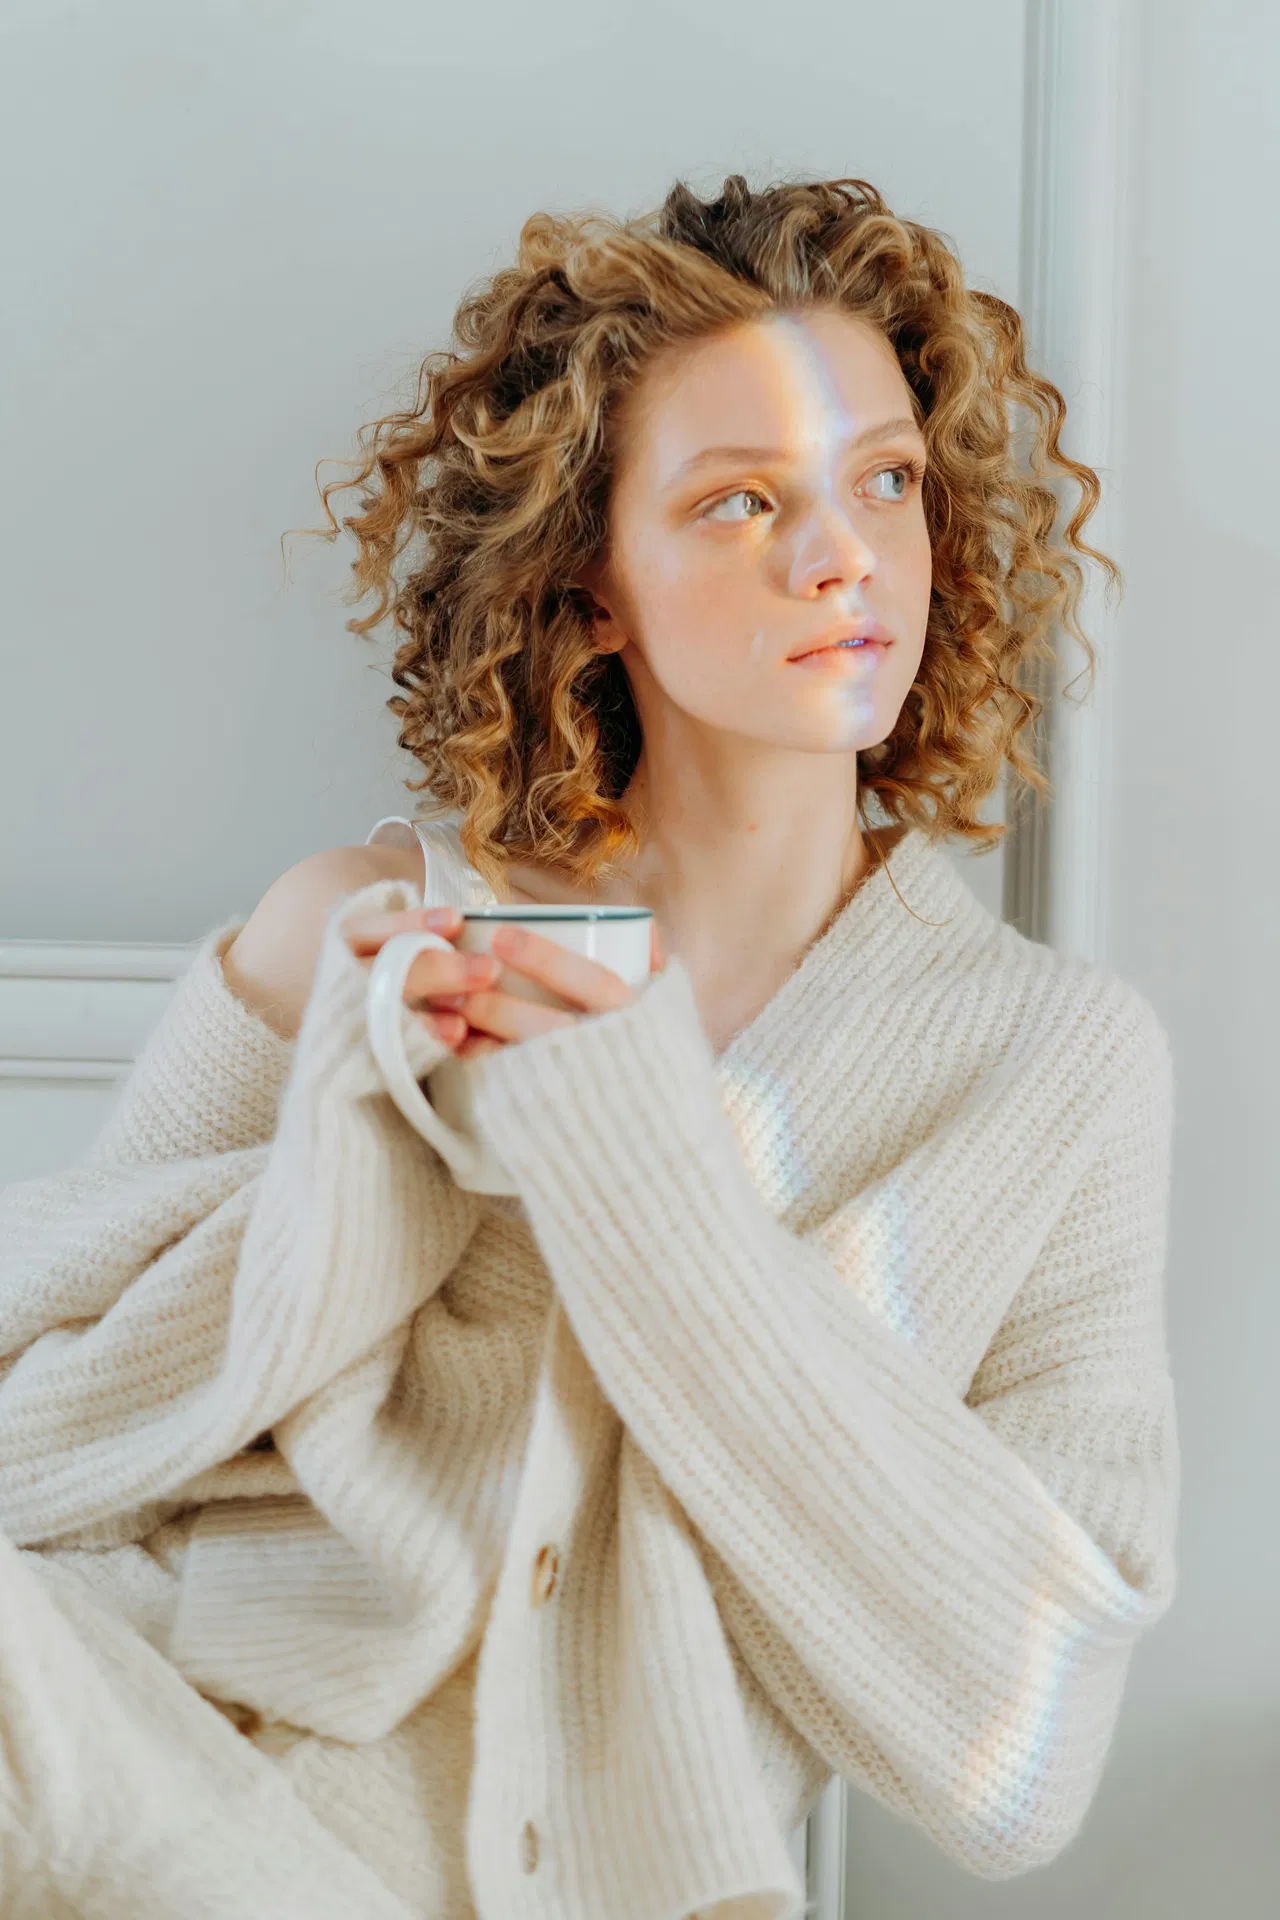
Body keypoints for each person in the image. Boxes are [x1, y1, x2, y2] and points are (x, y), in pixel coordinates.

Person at [0, 176, 1177, 1920]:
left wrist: (645, 1175)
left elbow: (1024, 1747)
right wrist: (343, 1171)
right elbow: (38, 1432)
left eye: (887, 480)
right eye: (738, 501)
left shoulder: (1046, 1066)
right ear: (594, 586)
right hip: (100, 1724)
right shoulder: (365, 921)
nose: (845, 552)